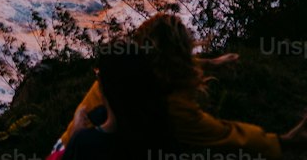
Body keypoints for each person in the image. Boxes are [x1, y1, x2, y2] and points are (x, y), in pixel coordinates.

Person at [60, 15, 307, 159]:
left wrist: (211, 64)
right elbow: (228, 135)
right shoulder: (169, 108)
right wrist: (282, 142)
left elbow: (157, 65)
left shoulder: (124, 71)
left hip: (68, 146)